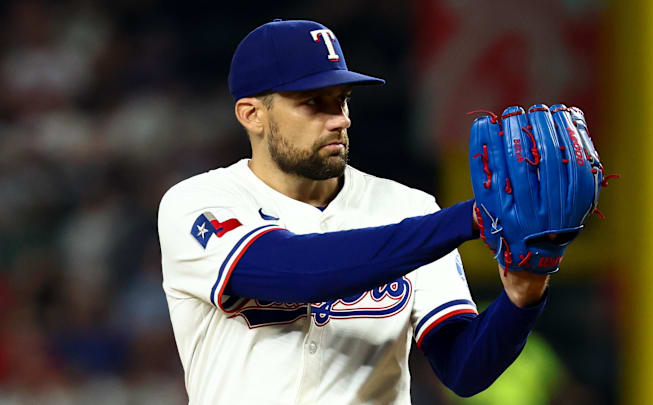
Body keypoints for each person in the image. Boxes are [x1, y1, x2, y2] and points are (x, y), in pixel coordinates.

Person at [158, 19, 549, 405]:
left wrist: (521, 298)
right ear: (251, 114)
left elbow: (464, 370)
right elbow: (300, 272)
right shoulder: (198, 203)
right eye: (314, 103)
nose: (340, 118)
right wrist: (470, 218)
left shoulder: (409, 208)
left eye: (342, 98)